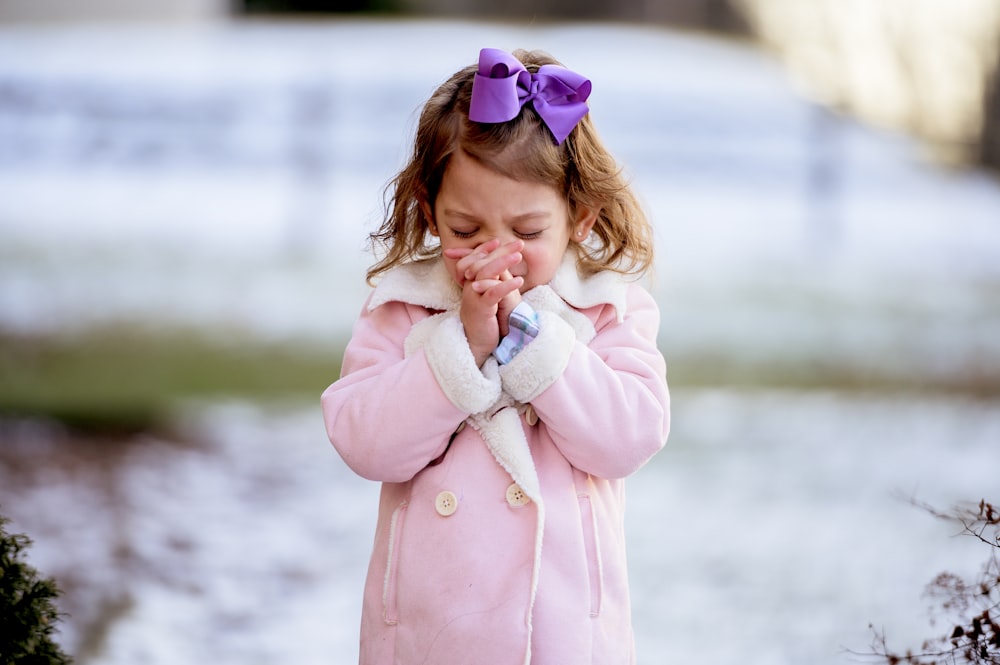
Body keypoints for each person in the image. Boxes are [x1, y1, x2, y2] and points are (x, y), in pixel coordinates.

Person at [321, 47, 670, 665]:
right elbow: (364, 442)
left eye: (528, 232)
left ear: (579, 219)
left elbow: (628, 438)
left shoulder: (606, 310)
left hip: (563, 632)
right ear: (430, 213)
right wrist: (462, 348)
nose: (497, 252)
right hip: (432, 633)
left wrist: (534, 341)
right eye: (465, 230)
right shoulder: (405, 307)